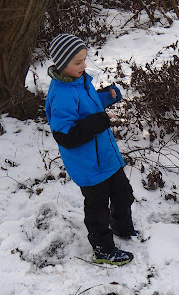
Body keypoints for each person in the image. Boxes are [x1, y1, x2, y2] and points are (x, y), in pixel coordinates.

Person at [45, 33, 135, 265]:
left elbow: (87, 107)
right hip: (89, 166)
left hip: (107, 158)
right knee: (97, 210)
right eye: (77, 62)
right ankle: (102, 249)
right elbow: (65, 135)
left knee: (124, 194)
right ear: (61, 63)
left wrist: (105, 97)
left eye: (85, 59)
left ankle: (122, 227)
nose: (84, 66)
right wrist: (100, 121)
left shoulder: (80, 82)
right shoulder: (61, 95)